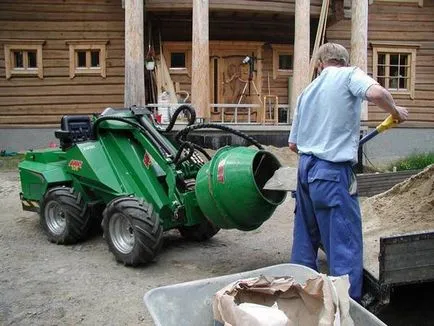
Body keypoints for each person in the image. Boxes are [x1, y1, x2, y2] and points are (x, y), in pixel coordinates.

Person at [288, 42, 408, 301]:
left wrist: (317, 148)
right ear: (344, 60)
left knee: (305, 240)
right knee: (344, 241)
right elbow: (377, 94)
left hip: (305, 171)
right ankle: (345, 308)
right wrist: (396, 111)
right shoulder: (350, 75)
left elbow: (293, 144)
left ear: (320, 63)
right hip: (331, 171)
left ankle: (302, 300)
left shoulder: (306, 92)